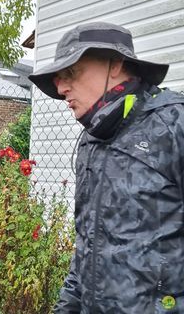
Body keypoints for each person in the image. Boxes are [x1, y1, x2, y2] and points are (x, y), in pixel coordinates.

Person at [27, 22, 184, 313]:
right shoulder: (90, 141)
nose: (61, 88)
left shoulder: (174, 124)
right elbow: (86, 246)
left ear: (115, 64)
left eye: (71, 73)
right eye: (58, 78)